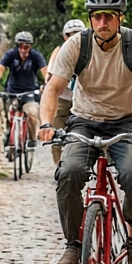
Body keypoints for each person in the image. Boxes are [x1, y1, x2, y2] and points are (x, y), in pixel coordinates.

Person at [38, 0, 132, 264]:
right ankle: (73, 243)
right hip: (84, 121)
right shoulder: (77, 45)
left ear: (120, 18)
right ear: (90, 18)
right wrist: (45, 123)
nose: (102, 22)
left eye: (108, 16)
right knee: (68, 172)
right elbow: (53, 88)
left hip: (127, 121)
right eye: (97, 16)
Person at [0, 31, 47, 154]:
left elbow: (45, 71)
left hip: (30, 93)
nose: (23, 50)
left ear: (30, 47)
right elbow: (0, 69)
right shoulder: (11, 55)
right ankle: (9, 135)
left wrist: (47, 84)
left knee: (32, 114)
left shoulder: (36, 56)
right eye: (20, 46)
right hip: (12, 92)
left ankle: (32, 139)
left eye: (26, 47)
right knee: (9, 113)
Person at [48, 19, 88, 164]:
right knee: (57, 135)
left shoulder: (91, 51)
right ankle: (58, 166)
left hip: (85, 100)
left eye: (78, 34)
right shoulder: (60, 51)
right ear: (65, 36)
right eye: (71, 34)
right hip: (64, 98)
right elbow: (50, 73)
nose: (75, 38)